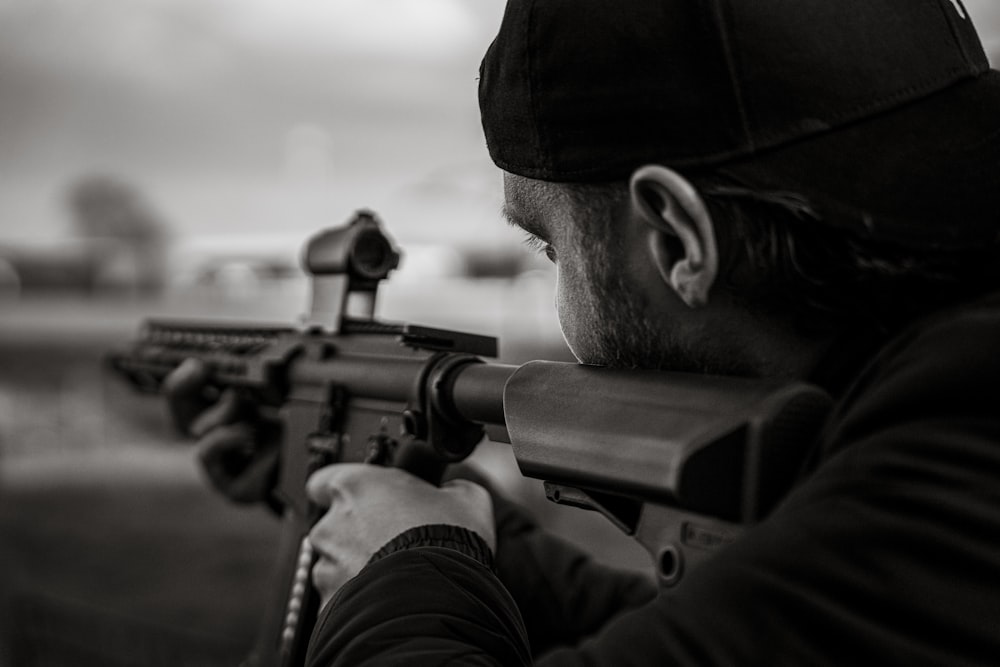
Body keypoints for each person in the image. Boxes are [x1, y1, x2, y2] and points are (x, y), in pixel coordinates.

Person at [169, 0, 1000, 664]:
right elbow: (729, 630)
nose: (553, 286)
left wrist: (404, 570)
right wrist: (450, 533)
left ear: (676, 239)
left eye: (546, 245)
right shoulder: (929, 434)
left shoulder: (960, 449)